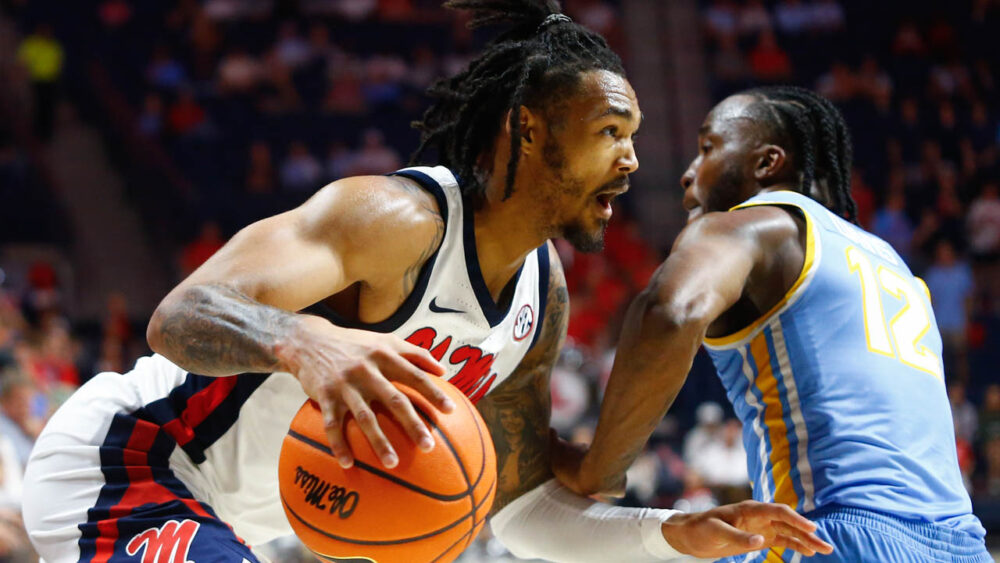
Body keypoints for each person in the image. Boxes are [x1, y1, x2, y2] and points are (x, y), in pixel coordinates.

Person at [22, 4, 830, 562]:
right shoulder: (395, 218)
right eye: (610, 133)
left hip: (228, 517)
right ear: (529, 128)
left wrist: (668, 534)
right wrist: (304, 339)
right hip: (134, 459)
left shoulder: (538, 301)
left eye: (635, 137)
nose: (632, 161)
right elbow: (180, 314)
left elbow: (513, 510)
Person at [556, 86, 991, 562]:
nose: (688, 174)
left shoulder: (750, 227)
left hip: (825, 533)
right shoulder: (900, 271)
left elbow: (671, 311)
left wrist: (599, 468)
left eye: (707, 150)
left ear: (767, 164)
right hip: (961, 544)